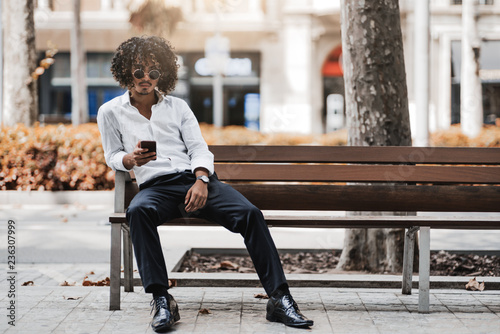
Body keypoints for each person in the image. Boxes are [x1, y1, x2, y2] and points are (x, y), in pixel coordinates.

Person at [97, 35, 313, 332]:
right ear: (125, 72)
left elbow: (199, 149)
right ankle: (161, 300)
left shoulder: (178, 108)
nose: (145, 79)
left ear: (163, 74)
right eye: (138, 72)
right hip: (156, 189)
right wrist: (131, 160)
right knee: (138, 212)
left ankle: (280, 299)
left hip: (196, 181)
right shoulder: (110, 112)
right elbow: (112, 155)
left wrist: (201, 180)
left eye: (153, 73)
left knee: (251, 214)